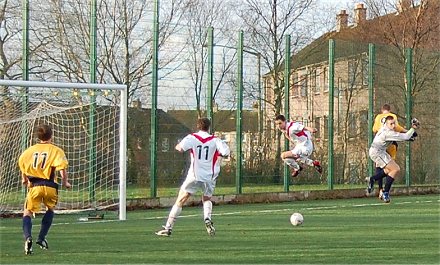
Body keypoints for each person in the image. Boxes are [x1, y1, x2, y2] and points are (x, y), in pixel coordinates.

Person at [155, 118, 230, 237]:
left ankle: (168, 227)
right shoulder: (215, 140)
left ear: (198, 126)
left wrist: (186, 148)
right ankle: (207, 218)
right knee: (207, 199)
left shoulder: (192, 138)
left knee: (180, 200)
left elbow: (179, 148)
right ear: (209, 127)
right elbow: (226, 152)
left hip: (194, 175)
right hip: (209, 176)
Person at [18, 124, 71, 255]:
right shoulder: (56, 150)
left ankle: (28, 237)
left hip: (35, 186)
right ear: (51, 136)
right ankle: (41, 238)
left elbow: (23, 166)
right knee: (50, 209)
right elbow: (62, 170)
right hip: (50, 186)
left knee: (27, 212)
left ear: (38, 136)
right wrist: (66, 182)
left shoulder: (28, 151)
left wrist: (24, 179)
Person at [368, 104, 417, 199]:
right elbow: (405, 136)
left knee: (389, 169)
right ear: (386, 124)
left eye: (394, 123)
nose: (394, 125)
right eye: (391, 124)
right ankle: (385, 192)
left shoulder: (383, 127)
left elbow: (400, 135)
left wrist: (410, 135)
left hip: (378, 151)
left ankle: (373, 179)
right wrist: (413, 128)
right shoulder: (388, 133)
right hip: (377, 152)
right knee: (395, 169)